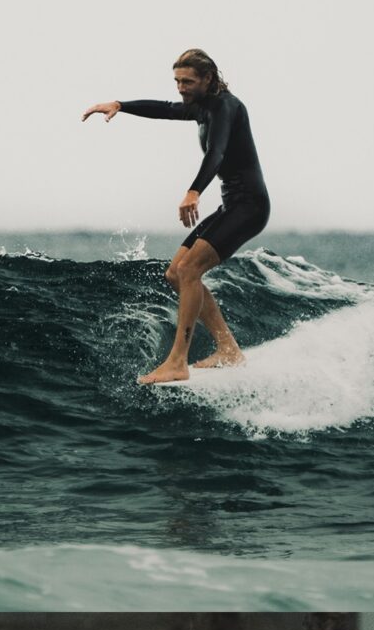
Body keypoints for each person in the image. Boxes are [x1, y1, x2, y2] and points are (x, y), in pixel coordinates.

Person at [82, 48, 270, 384]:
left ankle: (177, 362)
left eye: (188, 81)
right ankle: (228, 349)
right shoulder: (202, 107)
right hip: (233, 205)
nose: (181, 88)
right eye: (177, 81)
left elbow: (217, 152)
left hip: (250, 206)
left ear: (208, 78)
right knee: (175, 273)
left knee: (189, 270)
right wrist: (121, 105)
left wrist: (194, 191)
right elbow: (165, 109)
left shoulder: (226, 107)